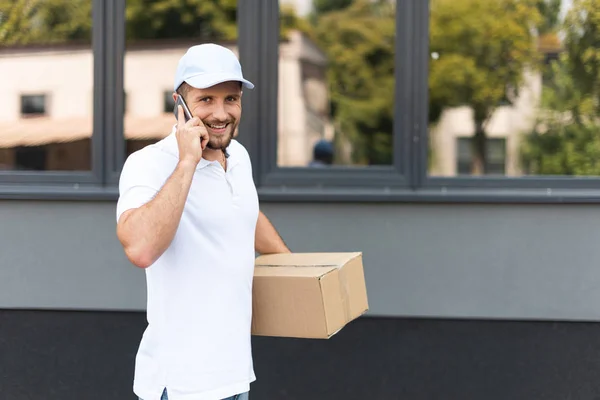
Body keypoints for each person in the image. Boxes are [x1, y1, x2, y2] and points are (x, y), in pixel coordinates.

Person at [115, 43, 290, 400]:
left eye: (231, 98)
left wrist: (294, 268)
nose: (221, 113)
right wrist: (187, 162)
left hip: (236, 375)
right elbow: (140, 248)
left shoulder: (238, 156)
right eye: (205, 100)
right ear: (179, 105)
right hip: (182, 385)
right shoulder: (150, 164)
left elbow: (243, 212)